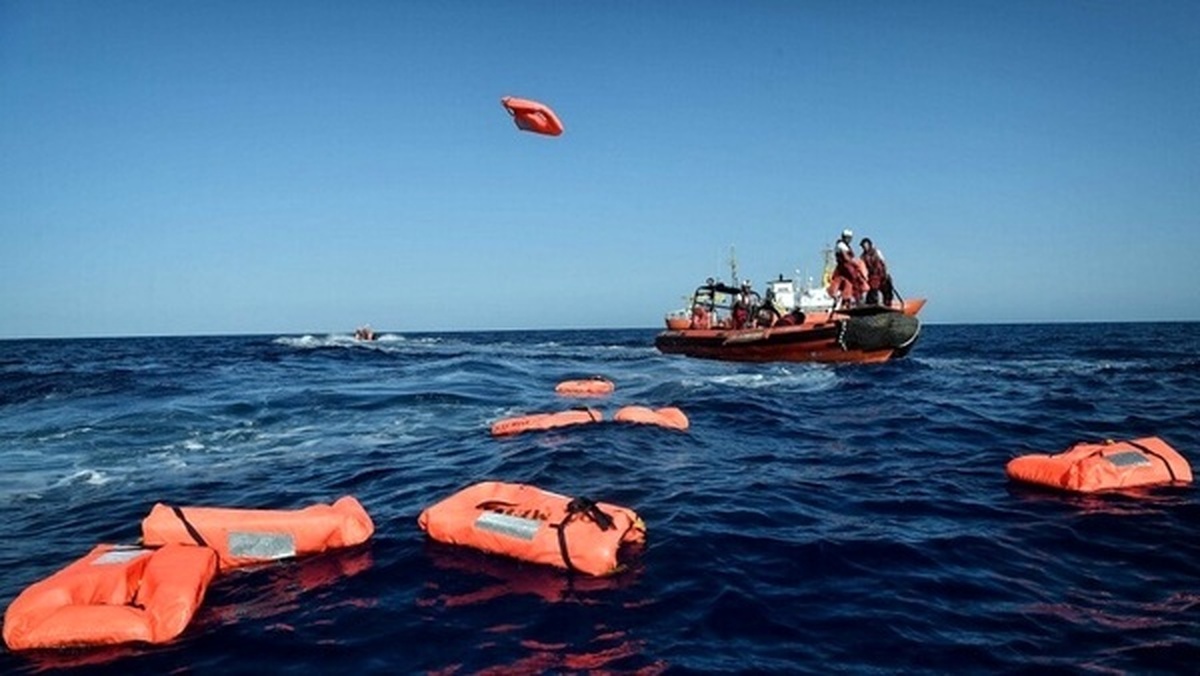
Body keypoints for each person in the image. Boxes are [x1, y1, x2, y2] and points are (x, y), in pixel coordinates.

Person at [827, 229, 868, 306]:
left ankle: (850, 300)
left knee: (849, 285)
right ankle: (855, 300)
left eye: (850, 238)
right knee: (855, 281)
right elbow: (846, 258)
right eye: (847, 238)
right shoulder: (841, 246)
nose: (849, 240)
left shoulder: (844, 246)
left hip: (847, 268)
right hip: (846, 267)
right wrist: (855, 263)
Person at [860, 238, 894, 306]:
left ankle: (888, 302)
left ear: (869, 245)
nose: (865, 247)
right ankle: (872, 302)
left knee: (887, 287)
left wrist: (885, 272)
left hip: (880, 274)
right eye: (863, 246)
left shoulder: (877, 252)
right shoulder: (862, 257)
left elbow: (883, 262)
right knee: (873, 287)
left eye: (866, 245)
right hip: (872, 275)